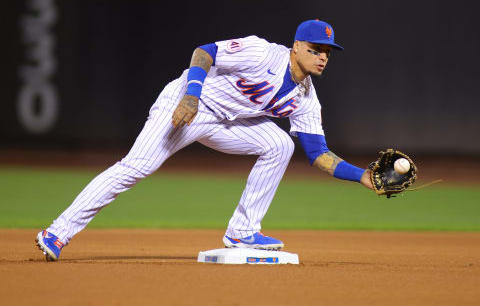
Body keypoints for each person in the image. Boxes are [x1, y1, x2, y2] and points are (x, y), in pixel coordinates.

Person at [35, 19, 373, 261]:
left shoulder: (306, 99)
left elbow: (317, 154)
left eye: (328, 52)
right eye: (316, 49)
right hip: (186, 103)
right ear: (296, 46)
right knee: (136, 167)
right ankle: (57, 232)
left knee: (280, 144)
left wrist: (363, 176)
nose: (322, 57)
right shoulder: (262, 53)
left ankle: (242, 231)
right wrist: (191, 95)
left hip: (225, 123)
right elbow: (204, 52)